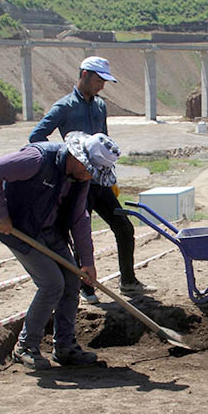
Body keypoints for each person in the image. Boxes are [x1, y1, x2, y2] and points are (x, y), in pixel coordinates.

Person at [0, 131, 121, 369]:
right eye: (90, 170)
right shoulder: (37, 159)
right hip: (18, 228)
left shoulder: (80, 178)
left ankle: (65, 347)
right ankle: (25, 346)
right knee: (52, 283)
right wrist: (1, 213)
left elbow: (79, 218)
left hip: (50, 228)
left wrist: (87, 262)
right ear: (77, 158)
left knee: (72, 280)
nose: (90, 176)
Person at [28, 56, 156, 303]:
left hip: (99, 181)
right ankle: (86, 288)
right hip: (77, 183)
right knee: (80, 234)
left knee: (124, 227)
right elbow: (36, 137)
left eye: (104, 82)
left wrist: (111, 177)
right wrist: (62, 162)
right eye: (99, 81)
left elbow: (104, 140)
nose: (102, 86)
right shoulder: (64, 107)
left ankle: (128, 281)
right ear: (85, 75)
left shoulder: (99, 106)